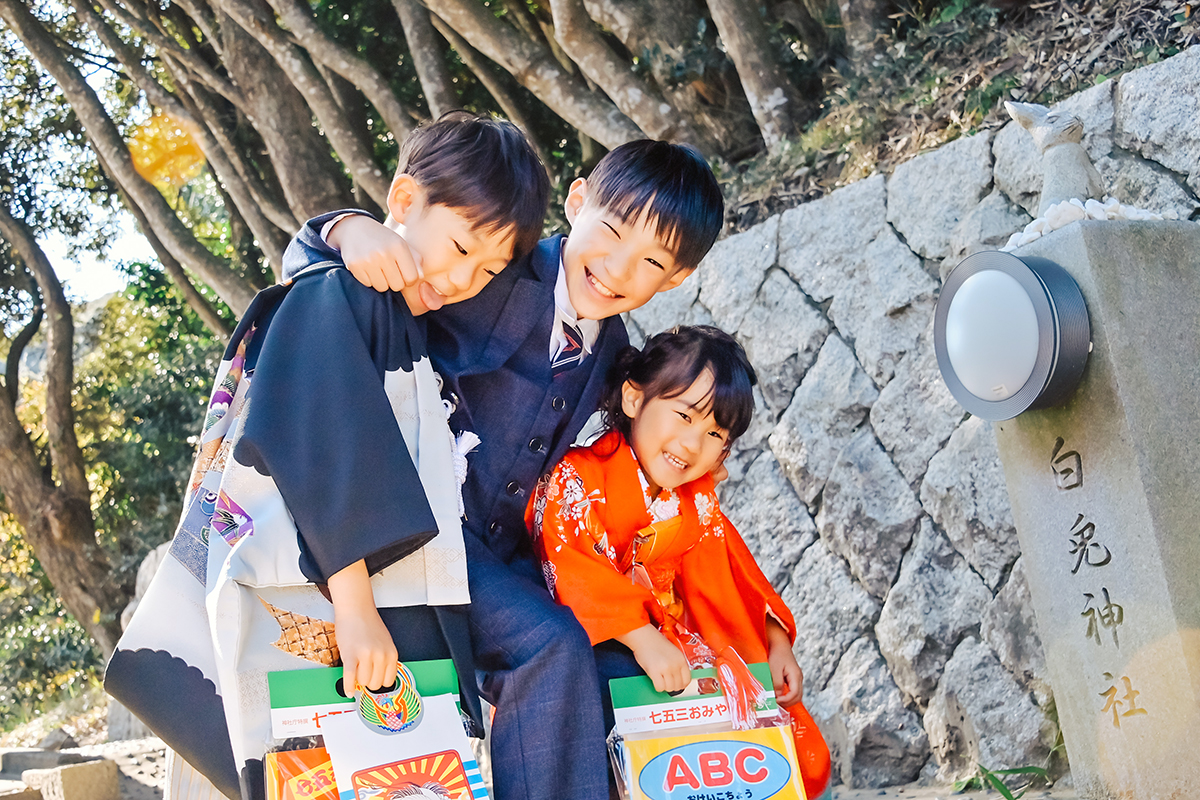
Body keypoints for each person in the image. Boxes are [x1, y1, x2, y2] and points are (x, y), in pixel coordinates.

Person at [105, 112, 549, 800]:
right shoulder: (342, 292)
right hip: (348, 601)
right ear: (404, 200)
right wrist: (355, 609)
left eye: (489, 269)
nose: (465, 278)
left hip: (374, 595)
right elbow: (324, 447)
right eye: (461, 247)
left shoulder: (391, 309)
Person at [282, 139, 725, 800]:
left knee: (616, 664)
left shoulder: (616, 351)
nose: (617, 267)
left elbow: (635, 446)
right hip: (421, 530)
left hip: (511, 555)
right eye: (610, 232)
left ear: (676, 279)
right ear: (577, 202)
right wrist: (346, 228)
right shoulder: (490, 263)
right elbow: (325, 288)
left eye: (652, 261)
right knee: (547, 646)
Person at [527, 325, 833, 800]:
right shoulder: (577, 478)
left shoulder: (694, 499)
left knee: (763, 715)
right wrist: (641, 637)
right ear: (634, 398)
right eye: (685, 415)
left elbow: (727, 574)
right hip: (598, 650)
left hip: (678, 645)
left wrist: (773, 641)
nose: (692, 444)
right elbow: (574, 569)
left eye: (714, 433)